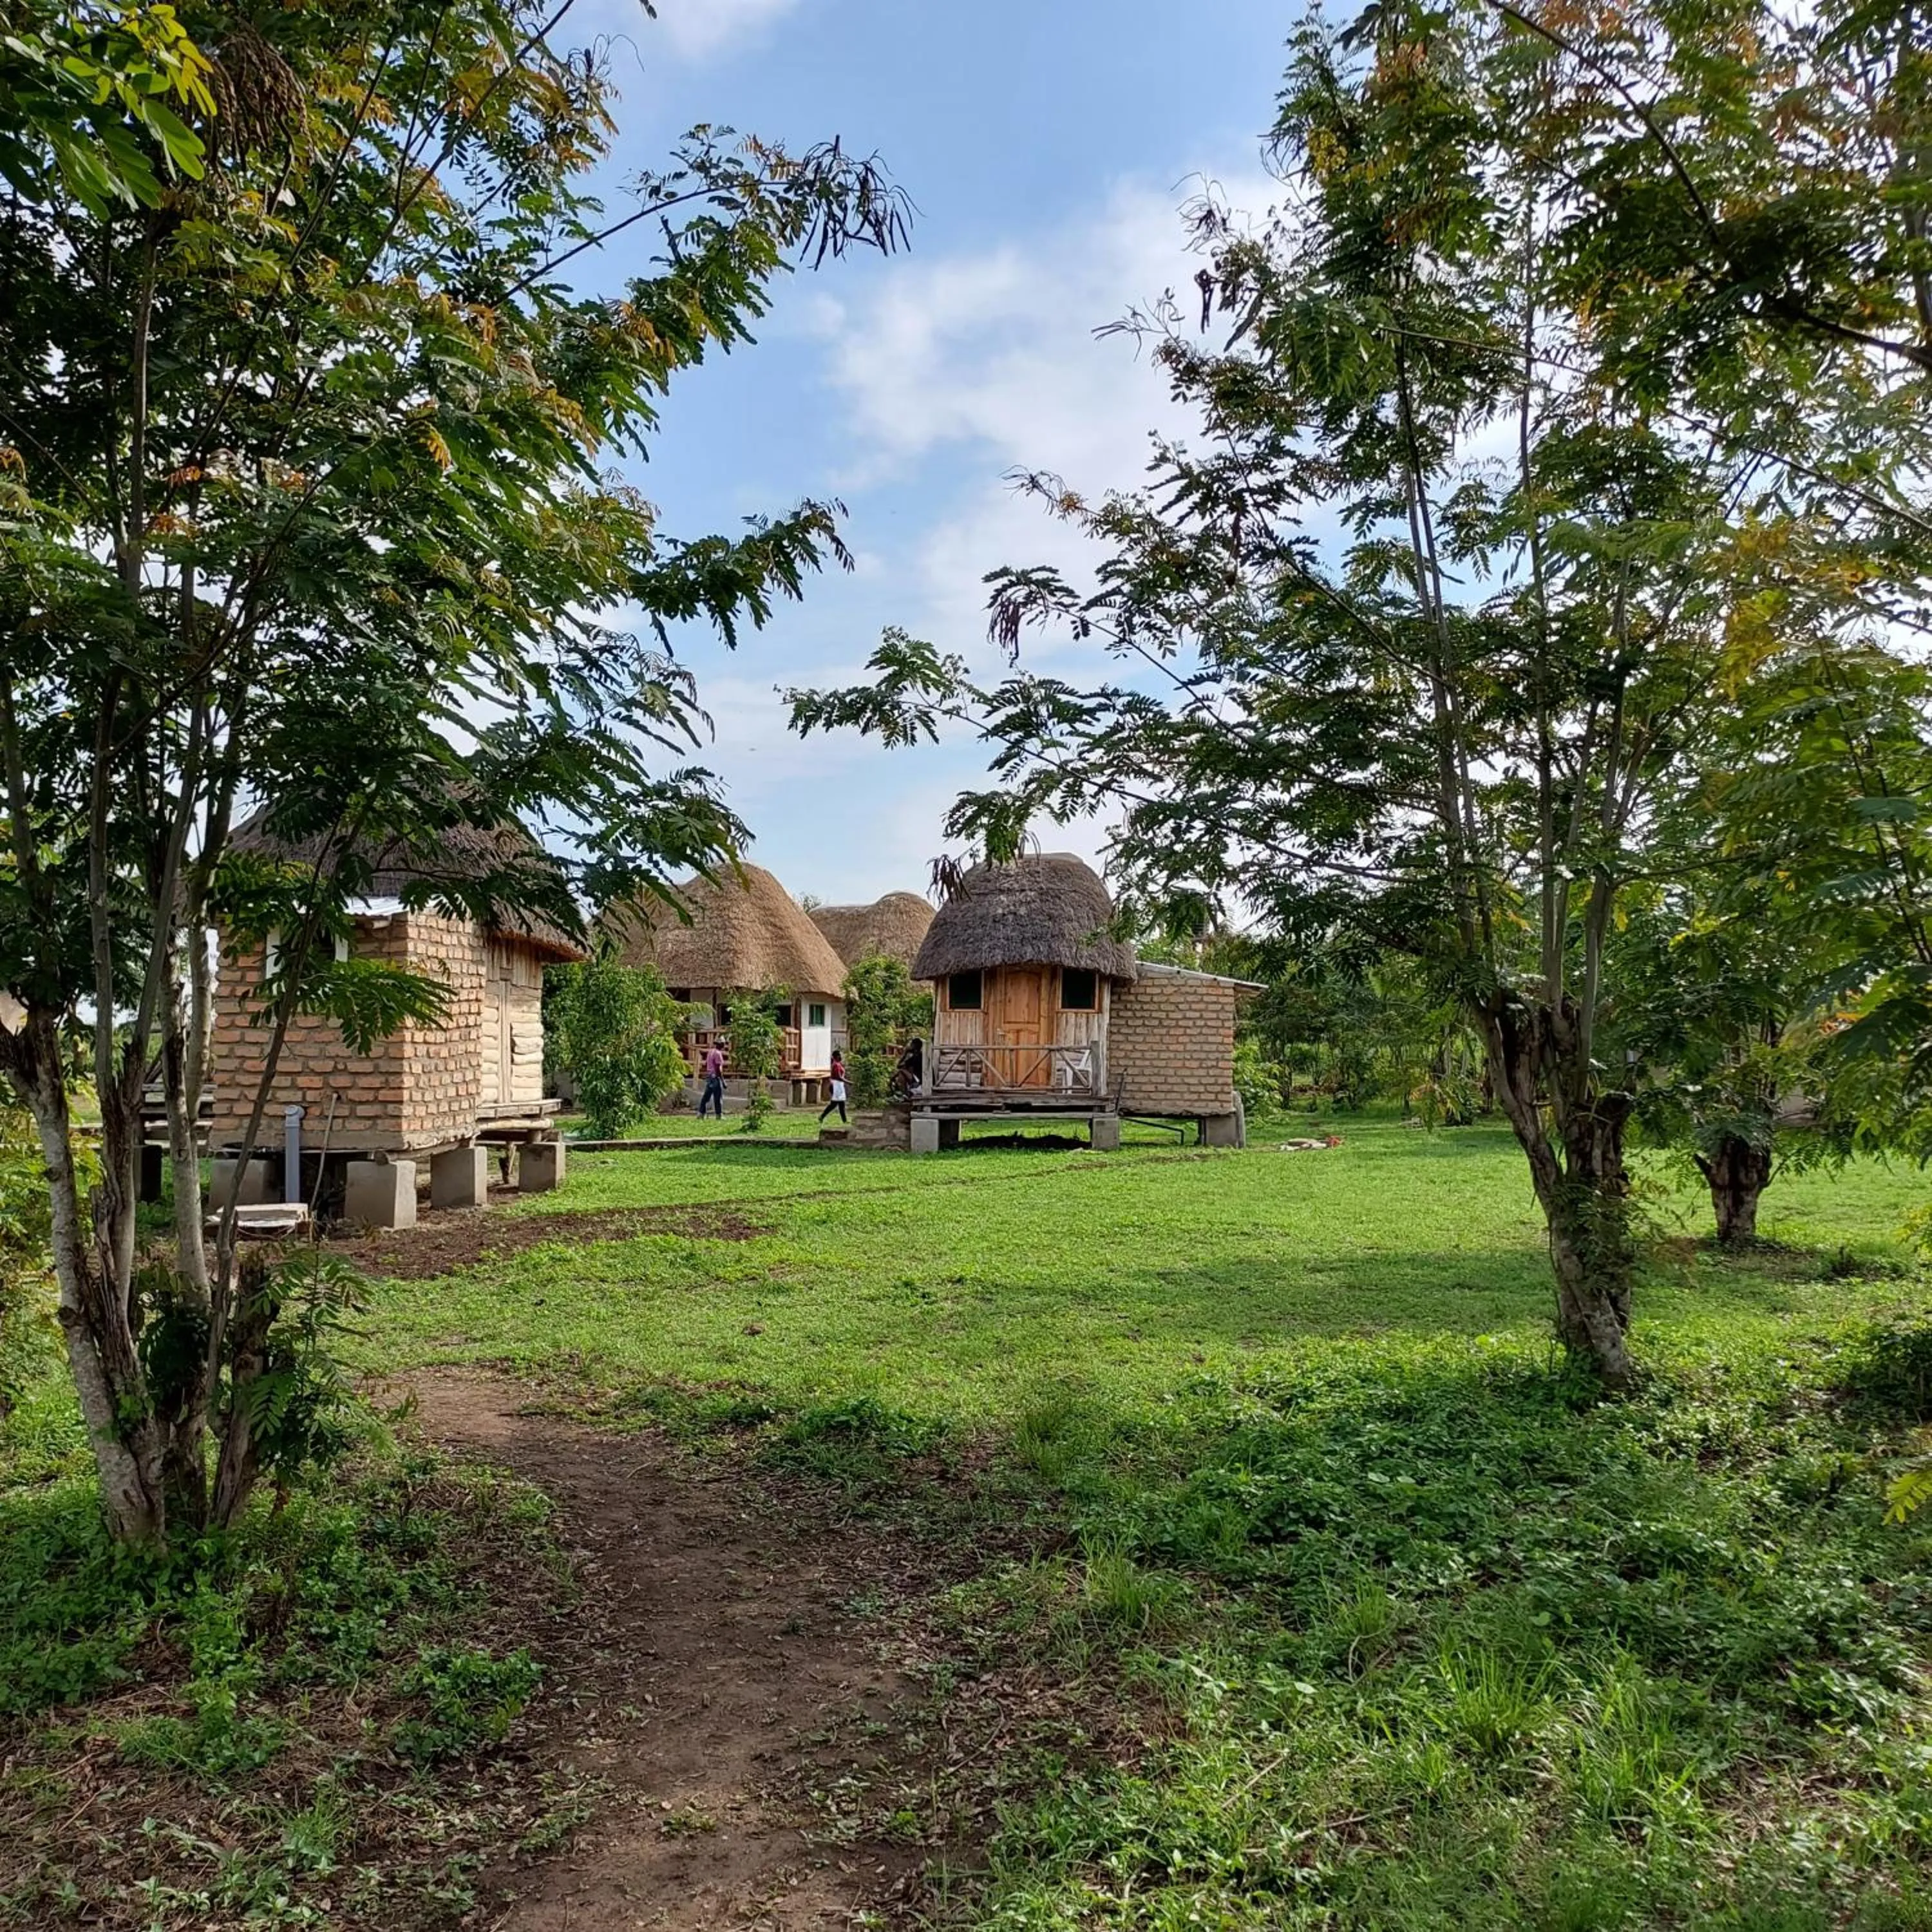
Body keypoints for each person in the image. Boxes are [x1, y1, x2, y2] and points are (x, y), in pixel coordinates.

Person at [698, 1040, 726, 1120]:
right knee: (718, 1097)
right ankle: (719, 1115)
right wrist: (723, 1080)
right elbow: (718, 1068)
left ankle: (701, 1113)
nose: (724, 1046)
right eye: (723, 1044)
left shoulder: (710, 1052)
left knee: (706, 1097)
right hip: (716, 1077)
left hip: (710, 1076)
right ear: (720, 1045)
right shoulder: (718, 1053)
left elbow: (706, 1064)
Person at [819, 1049, 848, 1125]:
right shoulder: (836, 1065)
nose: (841, 1057)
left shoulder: (838, 1064)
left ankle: (844, 1121)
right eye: (840, 1055)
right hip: (836, 1086)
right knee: (836, 1104)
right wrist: (849, 1082)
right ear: (837, 1056)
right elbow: (839, 1077)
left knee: (839, 1104)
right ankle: (822, 1117)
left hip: (838, 1086)